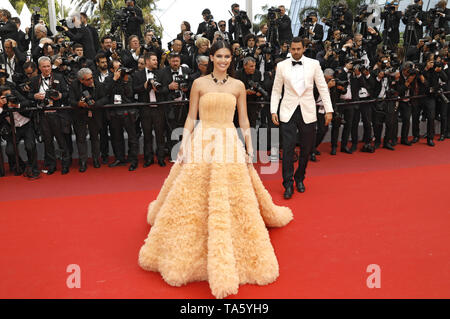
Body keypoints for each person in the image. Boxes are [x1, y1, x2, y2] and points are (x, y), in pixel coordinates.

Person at [138, 40, 293, 299]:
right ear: (211, 57)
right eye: (219, 56)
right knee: (190, 194)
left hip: (228, 140)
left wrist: (250, 148)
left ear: (231, 59)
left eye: (227, 56)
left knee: (235, 194)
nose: (223, 60)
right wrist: (184, 144)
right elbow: (190, 117)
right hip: (203, 138)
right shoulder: (198, 84)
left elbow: (243, 119)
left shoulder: (238, 86)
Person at [270, 37, 333, 199]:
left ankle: (300, 177)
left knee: (307, 149)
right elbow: (276, 90)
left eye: (298, 49)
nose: (296, 52)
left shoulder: (314, 64)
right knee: (289, 149)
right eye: (293, 49)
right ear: (289, 49)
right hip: (287, 111)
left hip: (308, 111)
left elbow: (323, 88)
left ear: (304, 48)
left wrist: (329, 110)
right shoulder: (281, 66)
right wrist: (273, 110)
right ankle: (288, 183)